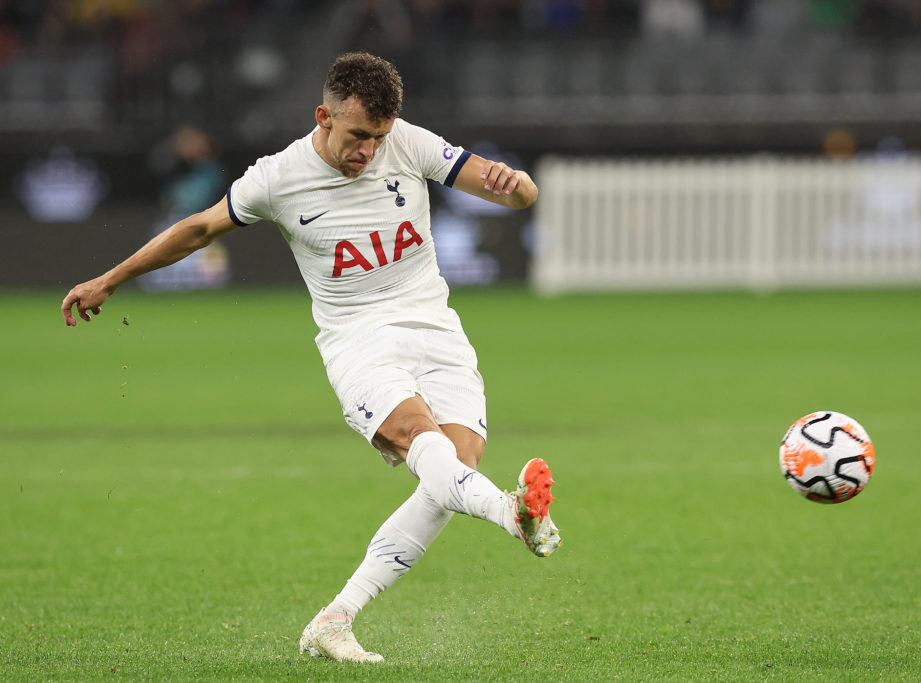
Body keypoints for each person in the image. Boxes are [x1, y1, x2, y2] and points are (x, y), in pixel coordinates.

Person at [60, 51, 561, 665]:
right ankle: (514, 516)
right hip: (359, 341)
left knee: (452, 472)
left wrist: (520, 187)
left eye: (378, 138)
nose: (369, 152)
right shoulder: (276, 178)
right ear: (323, 116)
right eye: (357, 137)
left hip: (438, 331)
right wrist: (111, 278)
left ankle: (336, 618)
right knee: (420, 440)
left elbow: (512, 192)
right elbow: (197, 230)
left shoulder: (408, 143)